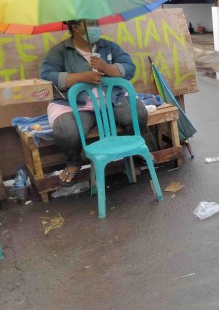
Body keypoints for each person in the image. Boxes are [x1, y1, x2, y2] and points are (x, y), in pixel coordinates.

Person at [40, 20, 148, 187]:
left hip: (112, 97)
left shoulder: (109, 47)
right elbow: (46, 75)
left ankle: (133, 150)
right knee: (67, 132)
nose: (96, 28)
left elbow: (129, 67)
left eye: (96, 23)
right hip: (76, 103)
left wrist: (107, 68)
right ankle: (74, 162)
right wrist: (79, 77)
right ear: (75, 28)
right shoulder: (60, 51)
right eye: (90, 24)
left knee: (138, 114)